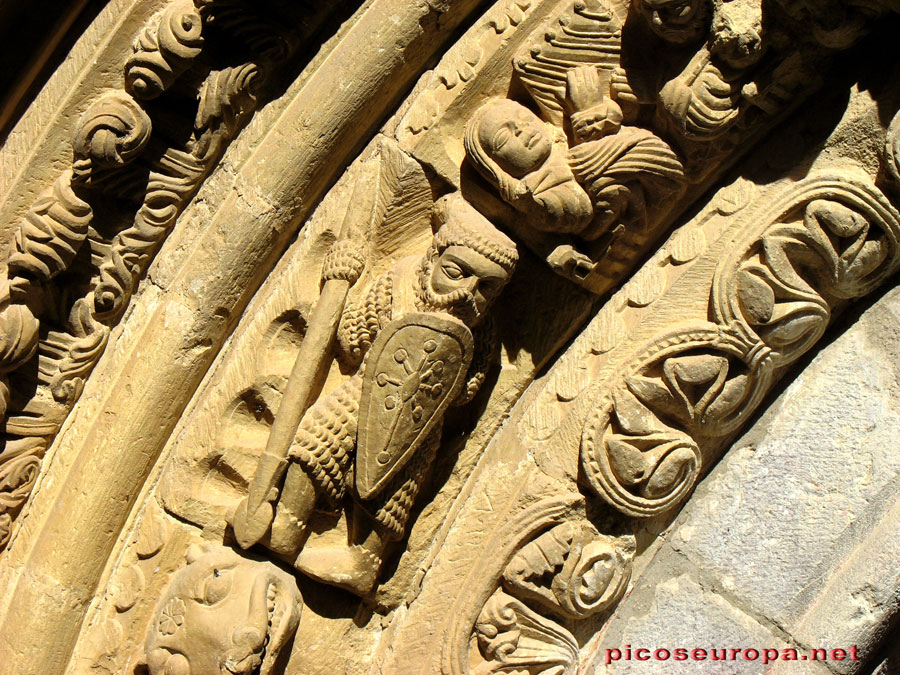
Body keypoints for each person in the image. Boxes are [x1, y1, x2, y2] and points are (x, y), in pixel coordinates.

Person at [260, 194, 518, 596]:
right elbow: (350, 339)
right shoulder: (398, 282)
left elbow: (471, 385)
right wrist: (341, 276)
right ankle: (288, 523)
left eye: (485, 287)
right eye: (456, 272)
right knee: (317, 438)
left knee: (398, 488)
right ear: (432, 259)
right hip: (363, 392)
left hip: (420, 423)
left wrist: (447, 389)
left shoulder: (481, 331)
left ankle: (364, 563)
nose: (467, 292)